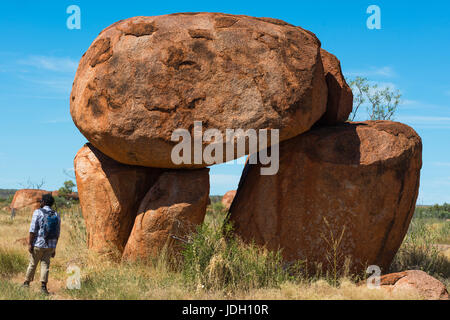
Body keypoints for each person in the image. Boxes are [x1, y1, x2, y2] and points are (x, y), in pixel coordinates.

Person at [22, 194, 61, 295]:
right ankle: (43, 287)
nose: (40, 203)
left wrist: (30, 244)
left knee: (32, 264)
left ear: (43, 202)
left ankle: (26, 283)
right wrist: (54, 248)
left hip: (39, 244)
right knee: (45, 265)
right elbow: (57, 233)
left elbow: (32, 230)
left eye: (41, 201)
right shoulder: (56, 214)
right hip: (50, 246)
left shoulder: (38, 212)